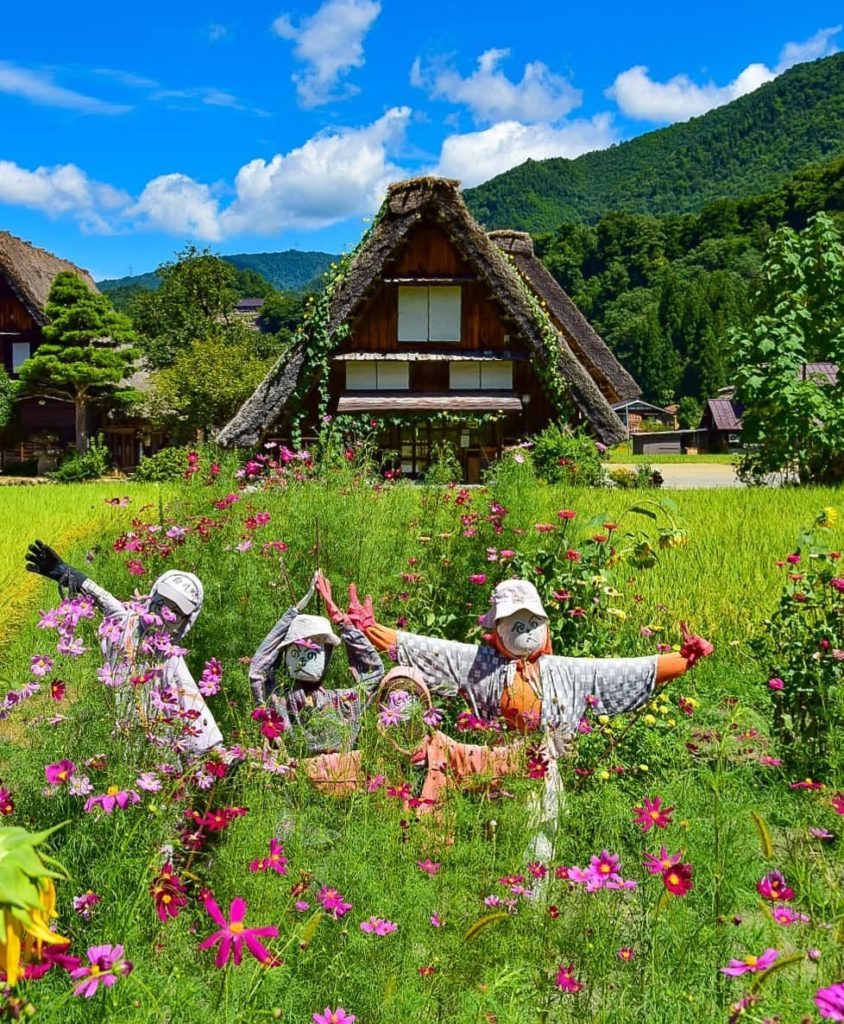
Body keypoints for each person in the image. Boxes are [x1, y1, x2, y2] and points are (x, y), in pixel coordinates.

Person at [319, 575, 713, 858]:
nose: (525, 632)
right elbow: (426, 649)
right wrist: (371, 630)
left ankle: (531, 904)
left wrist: (682, 660)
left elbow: (621, 670)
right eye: (516, 624)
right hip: (490, 760)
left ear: (544, 626)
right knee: (493, 835)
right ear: (498, 627)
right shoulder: (480, 663)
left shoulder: (564, 670)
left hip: (541, 761)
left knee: (539, 833)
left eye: (532, 624)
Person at [24, 539, 223, 758]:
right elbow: (102, 599)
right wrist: (67, 573)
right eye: (161, 601)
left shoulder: (170, 658)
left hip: (159, 750)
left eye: (176, 610)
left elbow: (191, 699)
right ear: (152, 595)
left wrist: (217, 753)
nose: (163, 612)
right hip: (122, 739)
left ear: (186, 622)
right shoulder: (128, 623)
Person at [249, 572, 384, 792]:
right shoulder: (288, 704)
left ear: (328, 654)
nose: (303, 658)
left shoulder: (337, 702)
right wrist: (344, 625)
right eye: (297, 650)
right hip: (319, 803)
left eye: (313, 651)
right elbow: (374, 671)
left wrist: (294, 614)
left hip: (317, 804)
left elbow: (258, 671)